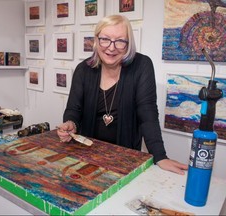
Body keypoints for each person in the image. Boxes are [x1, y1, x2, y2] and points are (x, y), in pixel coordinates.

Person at [56, 14, 187, 175]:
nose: (111, 47)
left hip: (124, 159)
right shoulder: (83, 69)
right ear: (96, 41)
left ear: (128, 44)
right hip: (85, 155)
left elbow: (148, 114)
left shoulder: (142, 66)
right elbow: (73, 109)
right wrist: (71, 124)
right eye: (105, 39)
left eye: (120, 41)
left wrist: (160, 156)